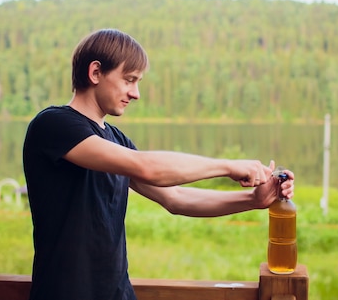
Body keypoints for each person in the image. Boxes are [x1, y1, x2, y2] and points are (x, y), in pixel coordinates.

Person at [22, 28, 295, 300]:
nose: (136, 93)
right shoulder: (53, 125)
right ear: (95, 73)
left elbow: (176, 198)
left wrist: (252, 199)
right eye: (129, 80)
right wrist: (228, 166)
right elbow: (147, 168)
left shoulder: (116, 139)